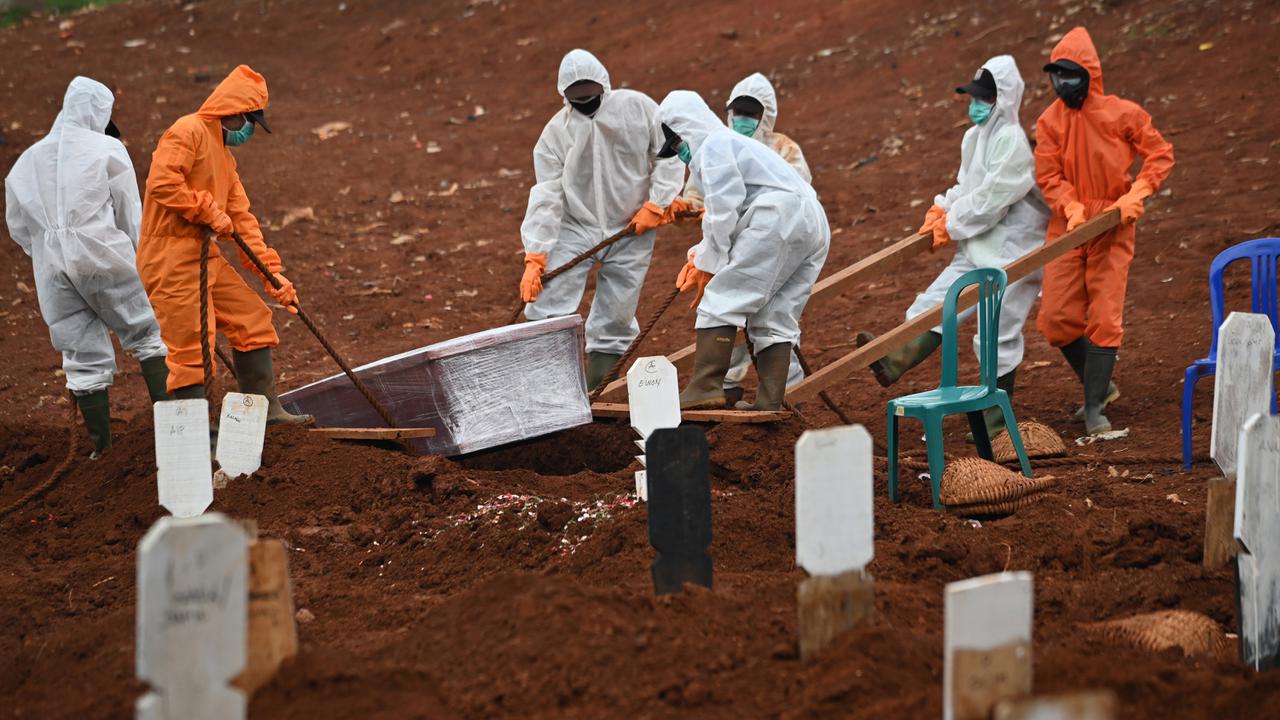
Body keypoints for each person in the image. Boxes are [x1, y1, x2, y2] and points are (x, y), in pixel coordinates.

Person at [856, 55, 1050, 440]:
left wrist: (952, 223)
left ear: (1004, 99)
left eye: (984, 98)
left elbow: (992, 202)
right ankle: (893, 359)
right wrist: (941, 207)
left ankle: (994, 426)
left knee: (996, 335)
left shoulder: (1013, 144)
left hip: (1015, 250)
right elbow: (966, 187)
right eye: (973, 97)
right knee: (937, 300)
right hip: (979, 243)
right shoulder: (974, 138)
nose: (975, 104)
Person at [5, 77, 170, 458]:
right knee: (147, 334)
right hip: (103, 253)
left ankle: (102, 452)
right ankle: (175, 433)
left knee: (81, 356)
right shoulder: (106, 147)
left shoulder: (24, 162)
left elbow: (18, 228)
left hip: (51, 268)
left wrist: (50, 254)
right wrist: (142, 256)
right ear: (100, 112)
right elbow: (131, 213)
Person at [137, 64, 311, 424]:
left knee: (252, 318)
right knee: (192, 348)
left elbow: (242, 220)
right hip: (169, 256)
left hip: (204, 255)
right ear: (232, 112)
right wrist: (205, 210)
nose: (247, 129)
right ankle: (197, 433)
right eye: (247, 119)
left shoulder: (224, 159)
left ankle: (263, 413)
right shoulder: (187, 131)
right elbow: (163, 183)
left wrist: (271, 275)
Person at [1035, 27, 1175, 435]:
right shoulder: (1049, 121)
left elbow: (1159, 154)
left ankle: (1094, 406)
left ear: (1089, 74)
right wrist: (1070, 205)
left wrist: (1139, 191)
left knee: (1105, 314)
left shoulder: (1121, 113)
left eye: (1071, 74)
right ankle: (1103, 385)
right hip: (1070, 223)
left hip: (1114, 220)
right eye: (1056, 75)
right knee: (1057, 318)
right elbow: (1048, 174)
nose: (1063, 83)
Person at [518, 49, 685, 389]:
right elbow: (547, 193)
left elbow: (668, 152)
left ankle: (599, 388)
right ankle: (552, 387)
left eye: (590, 94)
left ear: (604, 85)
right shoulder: (556, 133)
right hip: (575, 226)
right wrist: (536, 254)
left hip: (631, 225)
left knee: (618, 309)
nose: (585, 102)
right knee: (549, 303)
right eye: (577, 97)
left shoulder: (637, 107)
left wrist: (657, 203)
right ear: (564, 96)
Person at [657, 90, 830, 411]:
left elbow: (723, 212)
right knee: (775, 314)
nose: (680, 153)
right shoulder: (736, 145)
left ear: (685, 128)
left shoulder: (713, 146)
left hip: (778, 216)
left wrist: (708, 261)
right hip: (812, 222)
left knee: (721, 299)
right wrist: (700, 253)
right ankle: (770, 401)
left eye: (677, 144)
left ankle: (706, 385)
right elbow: (738, 215)